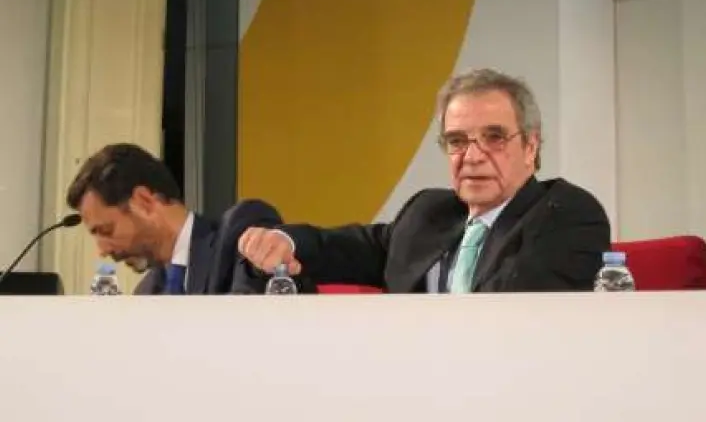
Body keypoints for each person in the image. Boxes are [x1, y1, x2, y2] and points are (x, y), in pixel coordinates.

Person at [235, 68, 611, 293]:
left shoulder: (566, 214)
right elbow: (344, 247)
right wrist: (282, 242)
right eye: (457, 141)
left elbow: (511, 310)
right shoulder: (430, 213)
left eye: (494, 137)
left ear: (530, 147)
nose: (473, 156)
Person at [66, 143, 282, 294]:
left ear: (143, 201)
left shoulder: (239, 233)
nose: (102, 250)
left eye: (106, 231)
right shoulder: (145, 293)